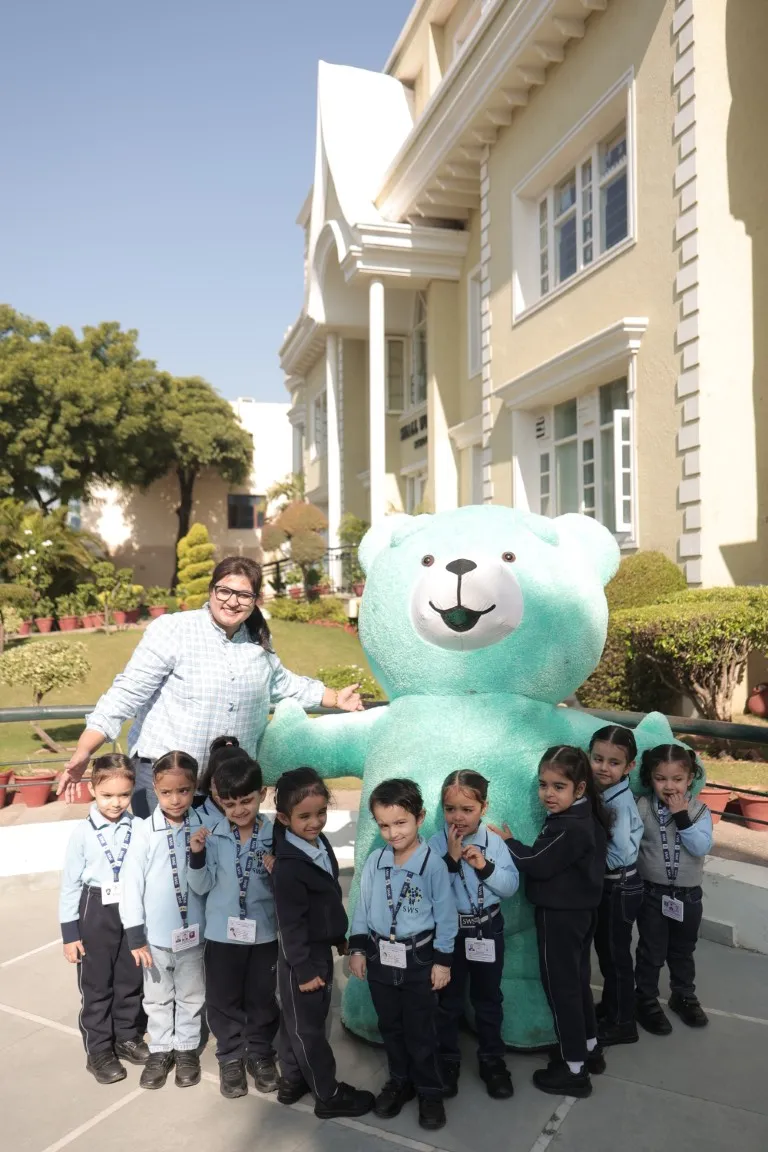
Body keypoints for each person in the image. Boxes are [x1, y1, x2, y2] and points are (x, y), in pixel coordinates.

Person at [56, 557, 364, 815]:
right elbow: (127, 692)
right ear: (211, 590)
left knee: (219, 867)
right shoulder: (175, 629)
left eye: (243, 595)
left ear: (255, 600)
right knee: (165, 866)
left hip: (227, 788)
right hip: (166, 782)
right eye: (224, 591)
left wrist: (336, 697)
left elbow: (284, 684)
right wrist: (85, 749)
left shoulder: (257, 642)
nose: (232, 601)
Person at [490, 746, 609, 1099]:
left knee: (562, 989)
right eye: (543, 785)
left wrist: (508, 842)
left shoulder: (569, 827)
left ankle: (574, 1069)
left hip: (561, 917)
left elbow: (537, 863)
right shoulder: (586, 817)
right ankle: (589, 1048)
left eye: (559, 786)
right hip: (581, 915)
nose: (548, 794)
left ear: (580, 788)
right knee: (578, 982)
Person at [349, 778, 456, 1132]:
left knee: (421, 1029)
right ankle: (400, 1080)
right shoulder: (375, 861)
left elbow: (446, 918)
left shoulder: (433, 865)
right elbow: (362, 908)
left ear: (419, 818)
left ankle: (430, 1091)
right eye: (383, 825)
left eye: (400, 823)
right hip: (380, 956)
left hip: (419, 959)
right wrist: (358, 949)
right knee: (390, 1025)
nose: (392, 833)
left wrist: (443, 961)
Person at [272, 767, 375, 1120]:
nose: (315, 822)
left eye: (320, 813)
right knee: (308, 1029)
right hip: (302, 959)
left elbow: (328, 899)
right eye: (304, 817)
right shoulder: (288, 867)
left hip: (320, 949)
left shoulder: (319, 844)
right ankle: (328, 1094)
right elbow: (290, 926)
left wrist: (337, 937)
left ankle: (293, 1080)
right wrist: (302, 970)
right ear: (283, 818)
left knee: (300, 1022)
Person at [187, 754, 279, 1099]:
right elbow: (200, 885)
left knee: (261, 997)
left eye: (246, 800)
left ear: (262, 794)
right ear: (218, 801)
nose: (239, 810)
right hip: (221, 937)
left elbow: (285, 891)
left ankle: (260, 1052)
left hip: (263, 935)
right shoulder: (211, 836)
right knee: (223, 999)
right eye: (229, 804)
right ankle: (230, 1056)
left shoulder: (274, 835)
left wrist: (279, 872)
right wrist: (197, 854)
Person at [428, 770, 519, 1101]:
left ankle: (492, 1060)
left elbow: (511, 886)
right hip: (449, 933)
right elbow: (430, 893)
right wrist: (451, 862)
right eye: (450, 809)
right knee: (448, 1001)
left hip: (487, 928)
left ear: (484, 807)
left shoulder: (494, 842)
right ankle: (448, 1060)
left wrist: (485, 867)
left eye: (467, 809)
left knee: (488, 998)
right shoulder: (435, 844)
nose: (458, 817)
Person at [58, 753, 148, 1085]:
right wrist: (70, 934)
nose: (116, 802)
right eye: (107, 795)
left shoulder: (139, 828)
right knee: (97, 984)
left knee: (130, 977)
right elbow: (70, 885)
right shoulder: (82, 833)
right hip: (95, 910)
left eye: (124, 795)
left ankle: (126, 1035)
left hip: (132, 908)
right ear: (93, 789)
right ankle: (98, 1049)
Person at [120, 750, 206, 1091]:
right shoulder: (144, 832)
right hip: (154, 938)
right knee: (156, 997)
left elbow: (207, 882)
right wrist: (135, 935)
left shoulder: (203, 827)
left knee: (191, 994)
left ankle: (186, 1047)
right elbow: (131, 885)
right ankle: (160, 1049)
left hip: (194, 934)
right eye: (167, 792)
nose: (175, 799)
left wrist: (199, 855)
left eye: (183, 790)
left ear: (194, 788)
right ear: (155, 789)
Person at [634, 744, 713, 1036]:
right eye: (660, 778)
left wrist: (681, 816)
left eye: (677, 779)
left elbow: (701, 846)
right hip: (651, 894)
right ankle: (645, 998)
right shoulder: (643, 807)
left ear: (690, 779)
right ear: (650, 778)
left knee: (682, 950)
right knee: (651, 950)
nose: (669, 786)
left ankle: (683, 995)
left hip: (688, 897)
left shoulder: (699, 811)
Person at [588, 726, 644, 1047]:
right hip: (614, 886)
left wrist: (584, 859)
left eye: (614, 762)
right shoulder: (606, 795)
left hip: (619, 887)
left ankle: (623, 1023)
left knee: (615, 957)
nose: (603, 768)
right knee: (608, 953)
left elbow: (618, 856)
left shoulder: (619, 804)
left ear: (629, 766)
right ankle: (613, 1007)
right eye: (597, 759)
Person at [193, 735, 241, 827]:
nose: (228, 788)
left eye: (236, 780)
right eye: (221, 780)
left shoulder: (256, 819)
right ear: (209, 783)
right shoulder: (195, 820)